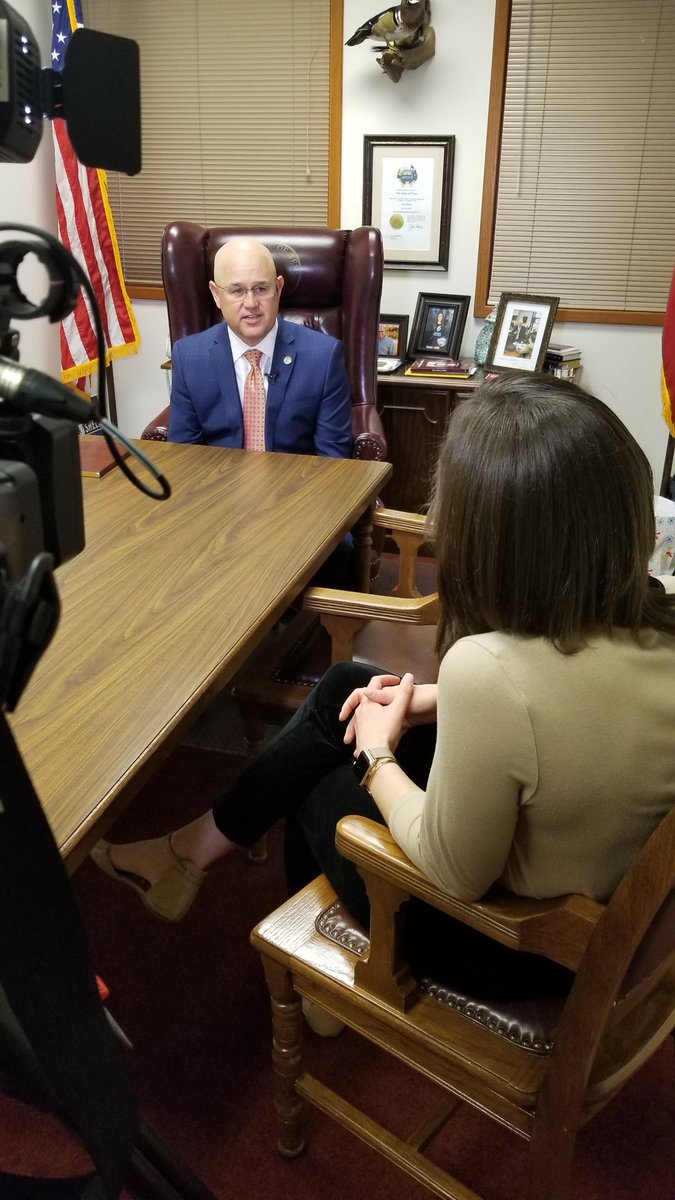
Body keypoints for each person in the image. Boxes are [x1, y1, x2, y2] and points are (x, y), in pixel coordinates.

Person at [92, 372, 675, 1005]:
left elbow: (457, 871)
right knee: (349, 684)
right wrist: (427, 699)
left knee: (323, 787)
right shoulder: (652, 624)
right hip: (602, 906)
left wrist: (375, 757)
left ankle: (314, 979)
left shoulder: (489, 669)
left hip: (511, 944)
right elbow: (572, 706)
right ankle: (186, 854)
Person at [168, 237, 353, 457]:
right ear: (217, 295)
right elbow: (183, 456)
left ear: (279, 288)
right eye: (237, 291)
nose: (251, 303)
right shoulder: (189, 357)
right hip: (218, 486)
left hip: (297, 487)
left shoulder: (324, 357)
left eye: (261, 289)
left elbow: (332, 461)